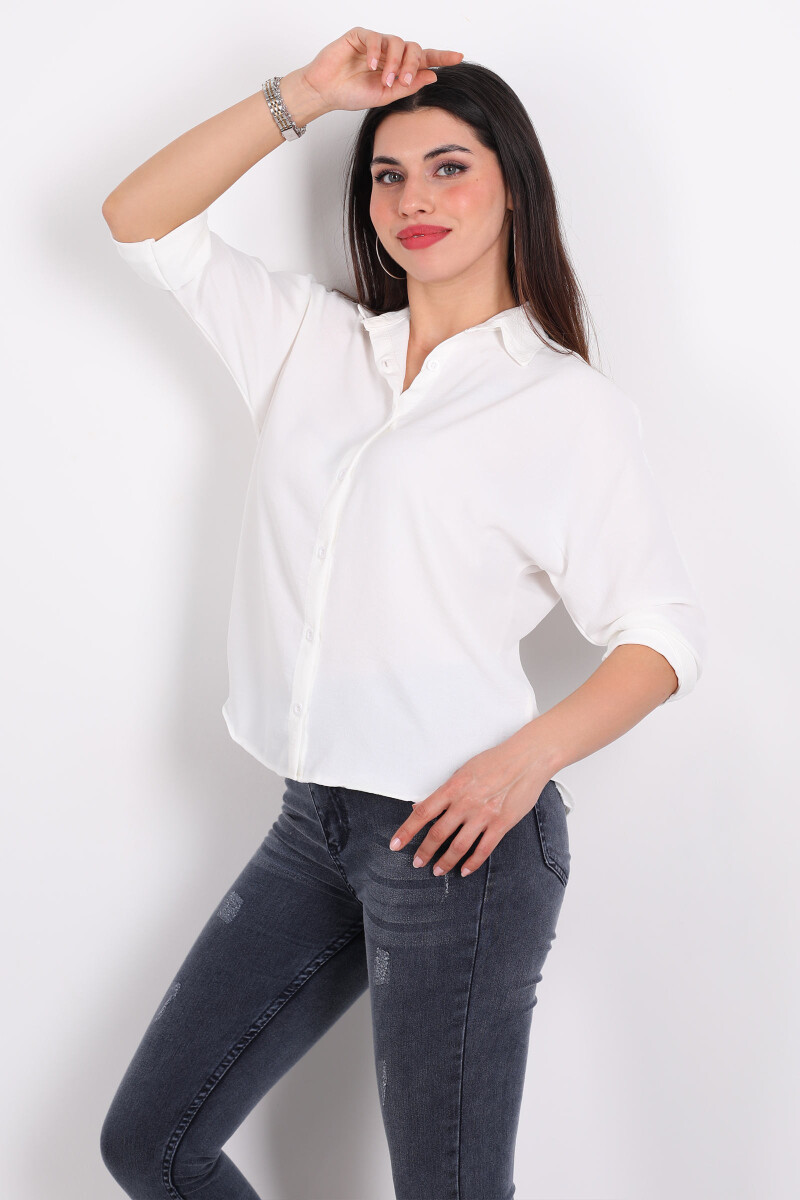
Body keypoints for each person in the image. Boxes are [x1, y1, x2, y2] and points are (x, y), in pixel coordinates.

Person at [98, 27, 707, 1200]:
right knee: (153, 1146)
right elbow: (138, 218)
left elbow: (659, 634)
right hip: (310, 823)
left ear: (511, 186)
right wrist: (308, 93)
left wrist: (520, 763)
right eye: (387, 173)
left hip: (457, 841)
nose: (411, 198)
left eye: (447, 168)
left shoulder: (562, 406)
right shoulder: (310, 343)